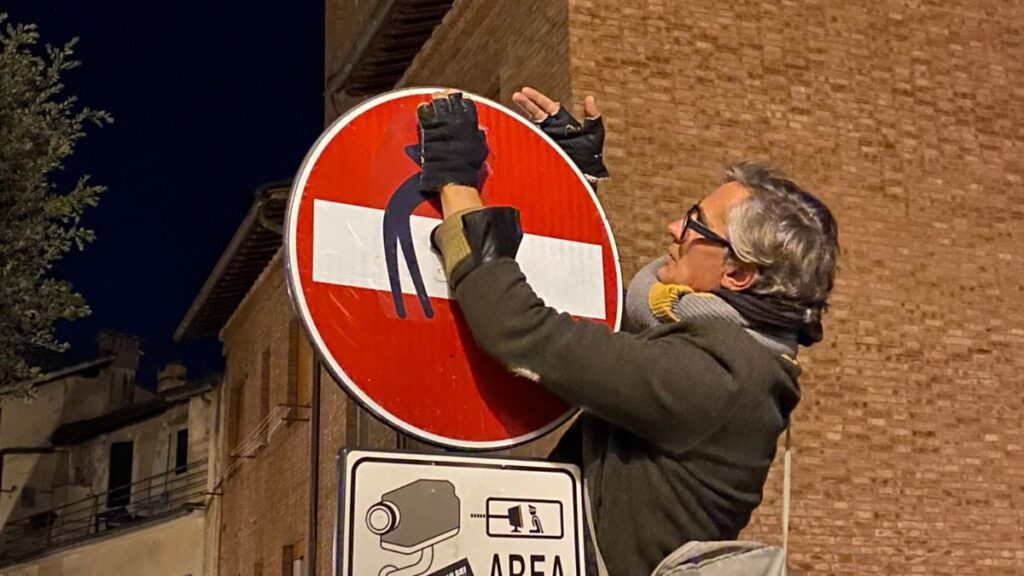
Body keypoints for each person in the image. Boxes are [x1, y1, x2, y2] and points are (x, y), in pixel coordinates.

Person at [417, 89, 839, 575]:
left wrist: (454, 177)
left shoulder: (719, 377)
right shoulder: (717, 354)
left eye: (696, 224)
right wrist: (570, 185)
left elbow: (524, 331)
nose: (674, 226)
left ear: (739, 275)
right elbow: (594, 330)